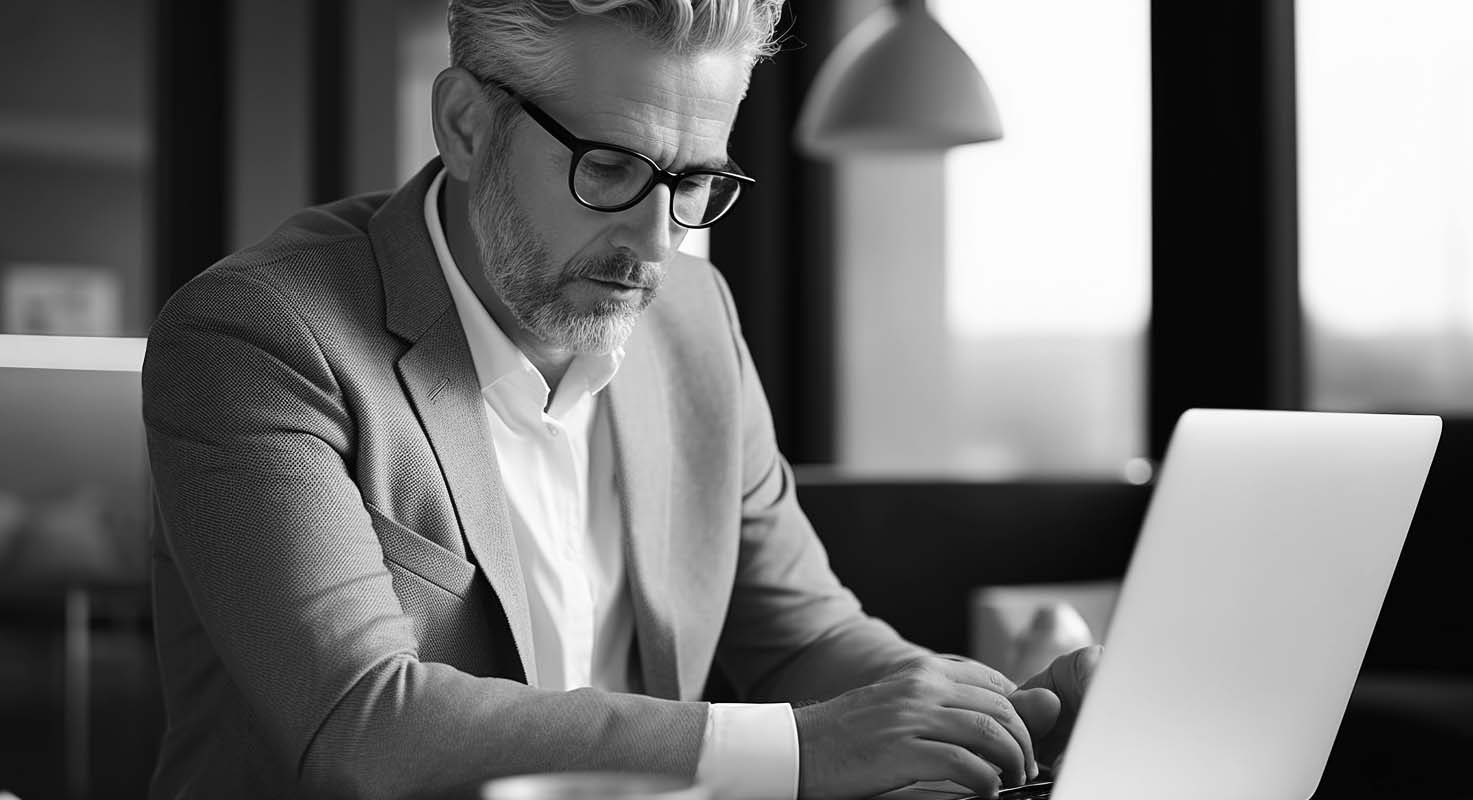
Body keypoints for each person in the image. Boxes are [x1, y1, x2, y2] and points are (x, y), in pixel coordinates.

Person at [141, 1, 1098, 798]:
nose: (655, 242)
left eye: (696, 181)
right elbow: (363, 726)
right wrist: (807, 749)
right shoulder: (257, 335)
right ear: (467, 125)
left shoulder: (692, 318)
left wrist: (997, 718)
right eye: (610, 168)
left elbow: (804, 637)